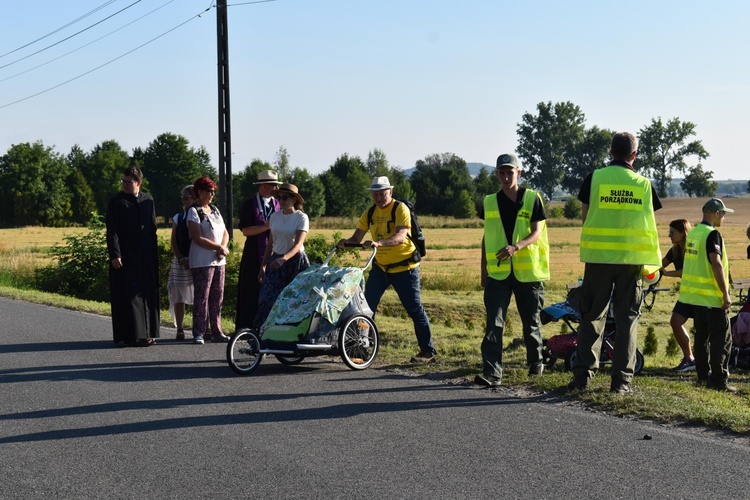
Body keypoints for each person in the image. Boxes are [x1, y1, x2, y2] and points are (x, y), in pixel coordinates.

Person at [568, 132, 662, 394]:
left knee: (592, 316)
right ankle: (621, 382)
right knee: (627, 319)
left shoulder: (594, 178)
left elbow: (585, 218)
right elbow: (647, 223)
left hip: (598, 259)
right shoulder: (644, 184)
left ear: (610, 152)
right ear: (634, 155)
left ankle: (583, 377)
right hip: (631, 262)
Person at [338, 176, 437, 363]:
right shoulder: (369, 213)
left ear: (390, 192)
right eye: (375, 194)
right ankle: (360, 349)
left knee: (414, 309)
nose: (379, 197)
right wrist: (345, 243)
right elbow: (356, 237)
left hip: (405, 267)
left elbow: (400, 237)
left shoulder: (400, 209)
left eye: (383, 193)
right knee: (366, 308)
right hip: (381, 267)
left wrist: (378, 243)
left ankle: (427, 351)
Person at [475, 153, 549, 387]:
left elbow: (536, 232)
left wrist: (516, 247)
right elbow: (487, 236)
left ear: (519, 173)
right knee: (494, 323)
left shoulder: (532, 198)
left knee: (531, 322)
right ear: (497, 174)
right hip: (498, 273)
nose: (506, 177)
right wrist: (483, 270)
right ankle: (492, 372)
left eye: (510, 172)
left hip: (528, 273)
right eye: (502, 172)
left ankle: (536, 363)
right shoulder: (488, 201)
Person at [678, 198, 737, 393]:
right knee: (721, 338)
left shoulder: (693, 233)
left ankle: (702, 376)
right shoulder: (712, 234)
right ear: (714, 212)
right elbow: (716, 264)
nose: (724, 217)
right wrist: (725, 293)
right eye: (723, 213)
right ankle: (719, 380)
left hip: (695, 297)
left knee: (701, 337)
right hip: (712, 298)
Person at [105, 165, 160, 347]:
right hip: (126, 256)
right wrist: (115, 254)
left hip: (146, 256)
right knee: (129, 296)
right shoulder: (117, 202)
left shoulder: (148, 200)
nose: (125, 185)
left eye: (128, 182)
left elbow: (152, 229)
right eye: (123, 181)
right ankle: (131, 336)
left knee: (147, 295)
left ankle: (149, 334)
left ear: (139, 183)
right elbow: (112, 230)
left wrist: (154, 254)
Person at [254, 183, 310, 329]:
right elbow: (271, 244)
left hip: (295, 261)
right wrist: (263, 266)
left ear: (293, 199)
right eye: (279, 197)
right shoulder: (274, 217)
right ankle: (262, 332)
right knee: (267, 298)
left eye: (284, 197)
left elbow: (298, 244)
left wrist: (284, 258)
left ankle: (291, 333)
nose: (281, 200)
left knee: (294, 300)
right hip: (276, 260)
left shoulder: (301, 217)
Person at [235, 170, 281, 329]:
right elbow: (246, 230)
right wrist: (265, 227)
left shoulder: (278, 204)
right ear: (265, 186)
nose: (276, 188)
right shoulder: (249, 204)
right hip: (254, 253)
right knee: (251, 289)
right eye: (274, 185)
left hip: (275, 251)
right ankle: (247, 325)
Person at [187, 177, 230, 345]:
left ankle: (216, 330)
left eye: (213, 191)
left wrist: (223, 248)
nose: (212, 194)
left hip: (219, 261)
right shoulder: (193, 211)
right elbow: (197, 238)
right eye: (209, 191)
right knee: (202, 296)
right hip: (202, 261)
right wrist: (218, 248)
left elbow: (225, 232)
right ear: (200, 192)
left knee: (217, 296)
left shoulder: (215, 210)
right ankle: (199, 331)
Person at [658, 219, 695, 372]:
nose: (669, 236)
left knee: (702, 329)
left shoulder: (693, 248)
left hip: (700, 294)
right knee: (675, 321)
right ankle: (689, 358)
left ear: (683, 233)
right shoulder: (674, 251)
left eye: (672, 232)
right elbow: (660, 265)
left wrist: (668, 274)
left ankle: (705, 361)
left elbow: (688, 270)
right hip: (687, 293)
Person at [167, 185, 196, 341]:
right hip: (181, 261)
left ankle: (201, 328)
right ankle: (180, 329)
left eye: (186, 197)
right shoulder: (178, 217)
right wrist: (181, 258)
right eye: (182, 197)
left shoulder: (202, 215)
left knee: (201, 294)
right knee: (178, 295)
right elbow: (174, 241)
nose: (183, 200)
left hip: (198, 261)